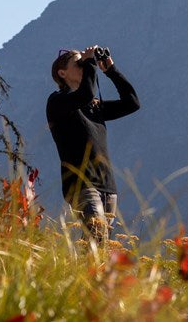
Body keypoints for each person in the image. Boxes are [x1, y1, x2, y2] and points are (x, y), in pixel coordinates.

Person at [45, 46, 140, 244]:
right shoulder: (57, 102)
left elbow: (132, 103)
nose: (84, 66)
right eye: (78, 63)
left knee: (101, 244)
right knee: (97, 235)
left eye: (84, 63)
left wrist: (111, 71)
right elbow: (85, 94)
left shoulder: (94, 106)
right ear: (62, 73)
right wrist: (89, 61)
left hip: (107, 185)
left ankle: (88, 275)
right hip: (81, 184)